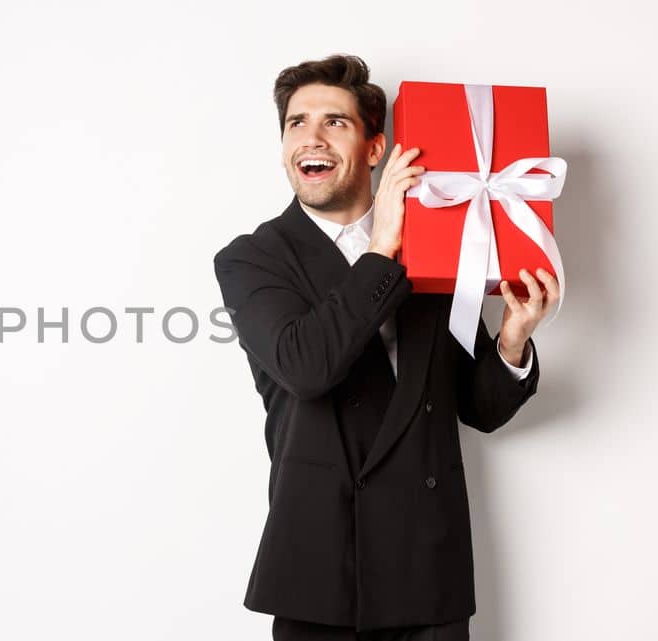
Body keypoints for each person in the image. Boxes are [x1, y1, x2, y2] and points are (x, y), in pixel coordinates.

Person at [211, 53, 560, 641]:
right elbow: (307, 367)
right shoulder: (253, 258)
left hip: (429, 567)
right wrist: (384, 245)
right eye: (296, 123)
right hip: (319, 573)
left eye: (334, 122)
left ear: (376, 149)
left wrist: (513, 336)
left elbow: (479, 409)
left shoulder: (441, 250)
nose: (310, 138)